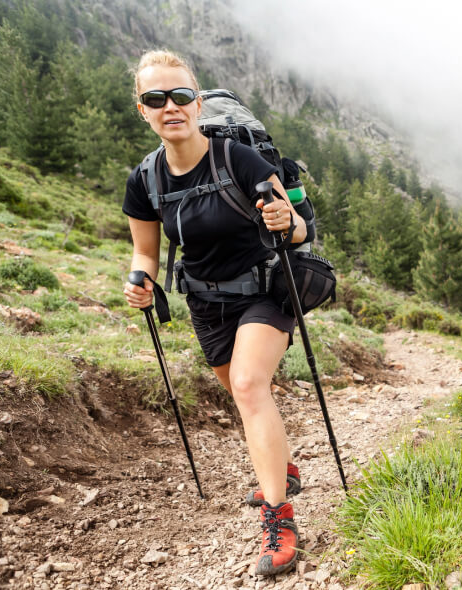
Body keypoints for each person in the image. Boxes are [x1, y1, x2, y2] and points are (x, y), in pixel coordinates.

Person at [121, 49, 303, 576]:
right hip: (204, 300)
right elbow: (145, 253)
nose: (170, 106)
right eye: (156, 98)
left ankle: (279, 518)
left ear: (197, 102)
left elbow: (299, 230)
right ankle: (282, 468)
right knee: (240, 391)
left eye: (180, 95)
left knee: (249, 386)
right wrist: (140, 281)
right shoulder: (145, 180)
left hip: (264, 289)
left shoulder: (238, 160)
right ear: (143, 109)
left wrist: (283, 220)